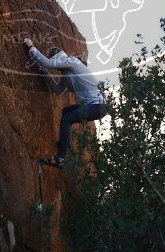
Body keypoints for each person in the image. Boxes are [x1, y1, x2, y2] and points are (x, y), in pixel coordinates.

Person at [24, 38, 107, 169]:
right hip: (95, 106)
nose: (57, 68)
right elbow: (58, 91)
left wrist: (31, 47)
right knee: (66, 111)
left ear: (59, 58)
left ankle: (60, 158)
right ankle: (65, 143)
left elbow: (48, 62)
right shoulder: (68, 74)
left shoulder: (72, 61)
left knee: (66, 119)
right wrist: (45, 73)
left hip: (97, 105)